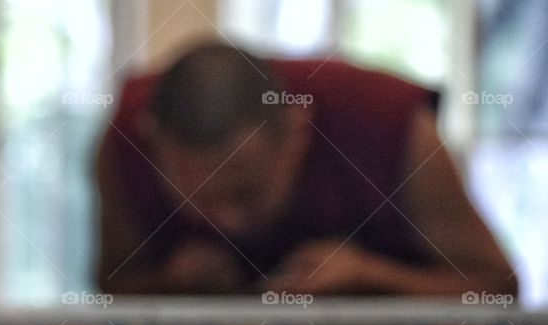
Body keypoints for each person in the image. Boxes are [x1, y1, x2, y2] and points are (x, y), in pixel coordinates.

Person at [96, 42, 518, 297]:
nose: (227, 222)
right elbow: (109, 291)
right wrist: (168, 284)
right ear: (153, 145)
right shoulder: (125, 140)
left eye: (247, 194)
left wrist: (373, 277)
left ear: (299, 130)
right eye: (197, 199)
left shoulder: (387, 121)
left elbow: (499, 289)